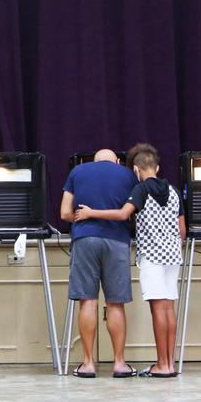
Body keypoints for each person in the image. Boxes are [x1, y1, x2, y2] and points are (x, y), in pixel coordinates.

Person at [75, 144, 184, 378]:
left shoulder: (141, 189)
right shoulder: (174, 190)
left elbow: (123, 214)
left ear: (135, 169)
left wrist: (91, 212)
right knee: (169, 307)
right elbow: (181, 229)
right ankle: (170, 363)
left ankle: (162, 365)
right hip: (173, 255)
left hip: (152, 256)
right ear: (158, 166)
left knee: (157, 309)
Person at [60, 149, 138, 378]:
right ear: (116, 161)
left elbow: (65, 212)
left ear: (93, 161)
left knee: (88, 302)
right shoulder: (127, 175)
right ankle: (120, 364)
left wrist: (88, 216)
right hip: (117, 241)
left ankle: (87, 364)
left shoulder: (77, 171)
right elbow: (133, 212)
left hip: (85, 239)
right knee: (116, 304)